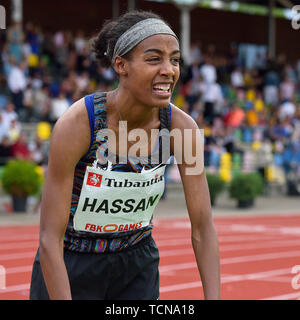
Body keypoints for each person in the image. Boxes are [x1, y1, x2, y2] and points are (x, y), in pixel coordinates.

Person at [29, 10, 220, 300]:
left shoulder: (182, 130)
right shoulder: (80, 125)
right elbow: (49, 240)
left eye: (175, 59)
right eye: (154, 59)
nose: (169, 70)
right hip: (70, 265)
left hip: (137, 267)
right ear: (121, 65)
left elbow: (203, 229)